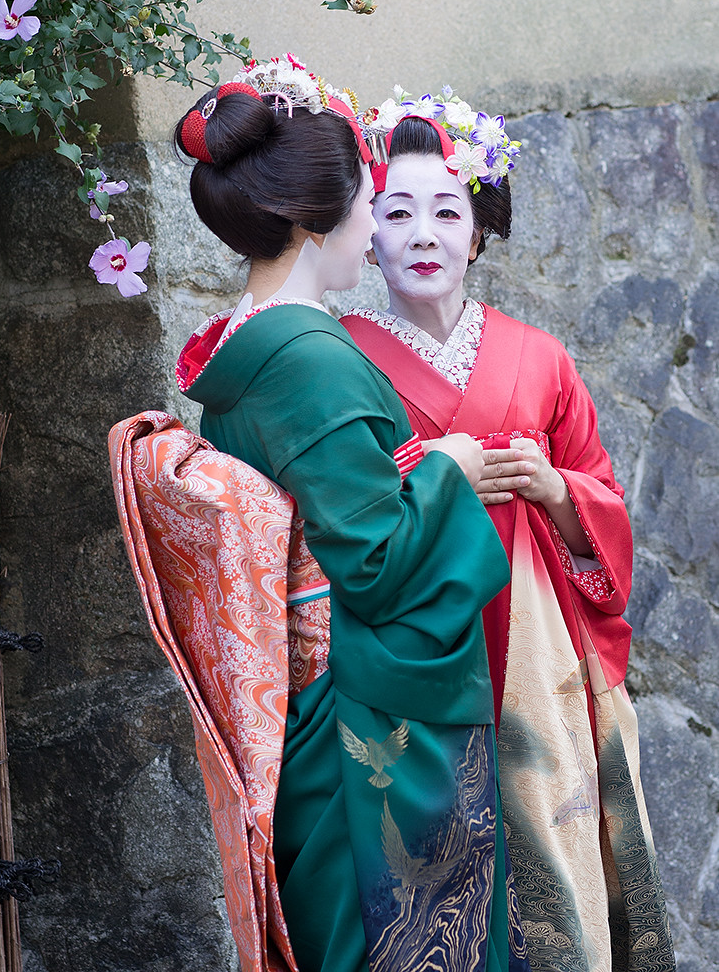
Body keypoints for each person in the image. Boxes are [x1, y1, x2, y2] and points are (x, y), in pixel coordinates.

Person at [169, 57, 528, 972]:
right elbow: (373, 562)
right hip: (362, 720)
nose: (375, 229)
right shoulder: (310, 358)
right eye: (372, 202)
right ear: (310, 219)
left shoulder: (248, 339)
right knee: (404, 947)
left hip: (318, 702)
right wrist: (446, 468)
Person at [341, 89, 676, 972]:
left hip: (536, 651)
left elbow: (603, 504)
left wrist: (557, 489)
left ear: (480, 233)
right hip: (418, 642)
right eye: (396, 212)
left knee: (552, 869)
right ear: (364, 233)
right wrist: (427, 474)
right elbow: (337, 510)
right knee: (431, 884)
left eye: (447, 212)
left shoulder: (541, 358)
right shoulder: (342, 361)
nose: (423, 234)